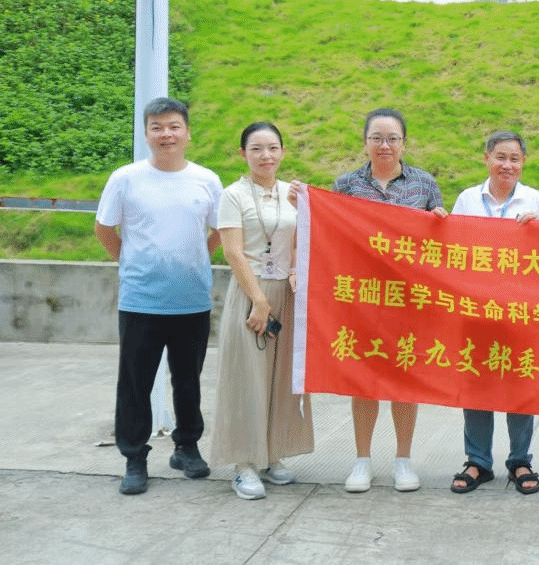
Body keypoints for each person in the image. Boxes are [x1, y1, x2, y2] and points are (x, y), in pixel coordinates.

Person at [94, 97, 224, 495]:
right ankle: (134, 458)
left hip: (191, 300)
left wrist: (195, 259)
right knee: (135, 383)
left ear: (187, 132)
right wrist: (131, 262)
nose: (166, 134)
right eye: (157, 127)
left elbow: (220, 231)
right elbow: (104, 229)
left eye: (173, 126)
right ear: (147, 133)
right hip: (140, 301)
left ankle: (187, 447)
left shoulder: (207, 180)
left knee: (188, 380)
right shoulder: (126, 178)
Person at [332, 108, 446, 493]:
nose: (385, 145)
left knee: (404, 377)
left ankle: (403, 459)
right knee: (363, 379)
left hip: (408, 298)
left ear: (403, 144)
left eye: (392, 138)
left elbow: (439, 243)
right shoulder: (346, 185)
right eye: (377, 138)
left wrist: (441, 222)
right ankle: (362, 460)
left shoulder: (424, 184)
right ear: (365, 142)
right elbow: (331, 234)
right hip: (362, 298)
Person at [208, 122, 315, 500]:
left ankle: (272, 455)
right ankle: (244, 464)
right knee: (247, 379)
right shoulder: (232, 195)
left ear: (282, 151)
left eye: (272, 148)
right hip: (251, 293)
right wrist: (259, 300)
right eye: (256, 149)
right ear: (243, 154)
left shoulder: (292, 193)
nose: (265, 156)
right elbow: (233, 252)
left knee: (281, 379)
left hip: (287, 292)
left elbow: (300, 242)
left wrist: (296, 271)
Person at [449, 131, 539, 495]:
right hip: (476, 309)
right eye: (500, 157)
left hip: (520, 311)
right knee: (477, 382)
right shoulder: (467, 199)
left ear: (523, 163)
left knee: (520, 381)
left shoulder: (535, 200)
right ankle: (478, 461)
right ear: (486, 159)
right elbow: (451, 247)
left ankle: (520, 460)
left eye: (514, 159)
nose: (507, 165)